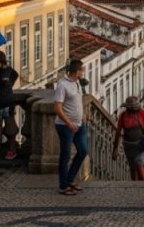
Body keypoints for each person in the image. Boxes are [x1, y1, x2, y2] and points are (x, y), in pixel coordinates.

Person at [54, 59, 87, 196]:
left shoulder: (78, 82)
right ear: (77, 71)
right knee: (65, 156)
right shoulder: (62, 85)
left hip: (79, 124)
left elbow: (78, 101)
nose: (83, 71)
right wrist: (69, 123)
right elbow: (57, 107)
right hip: (65, 126)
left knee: (83, 151)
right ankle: (63, 185)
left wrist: (83, 114)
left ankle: (70, 178)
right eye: (82, 69)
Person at [112, 95, 144, 181]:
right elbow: (118, 133)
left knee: (139, 164)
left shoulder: (142, 113)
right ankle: (134, 186)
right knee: (132, 167)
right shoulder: (123, 116)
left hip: (141, 145)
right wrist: (115, 149)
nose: (133, 110)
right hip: (128, 146)